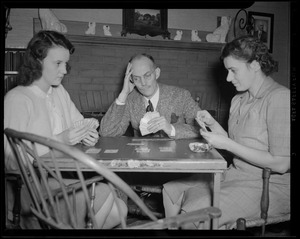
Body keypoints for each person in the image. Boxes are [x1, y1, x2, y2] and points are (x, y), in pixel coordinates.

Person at [162, 36, 290, 229]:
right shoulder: (239, 99)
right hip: (236, 174)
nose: (228, 78)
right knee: (171, 190)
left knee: (192, 214)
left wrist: (228, 144)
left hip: (268, 185)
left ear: (255, 65)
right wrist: (212, 124)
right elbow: (235, 143)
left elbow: (281, 163)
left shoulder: (279, 98)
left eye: (233, 70)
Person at [4, 30, 127, 229]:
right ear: (37, 61)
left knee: (120, 208)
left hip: (61, 178)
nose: (65, 70)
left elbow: (78, 123)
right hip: (32, 189)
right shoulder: (17, 99)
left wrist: (87, 133)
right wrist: (61, 139)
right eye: (58, 63)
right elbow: (10, 162)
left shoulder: (59, 91)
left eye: (66, 64)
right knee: (104, 193)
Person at [99, 53, 201, 139]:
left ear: (157, 73)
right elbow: (106, 132)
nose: (143, 83)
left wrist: (171, 129)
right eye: (136, 78)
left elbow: (202, 129)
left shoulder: (181, 95)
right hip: (142, 158)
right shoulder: (130, 100)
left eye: (147, 76)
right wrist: (124, 94)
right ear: (131, 79)